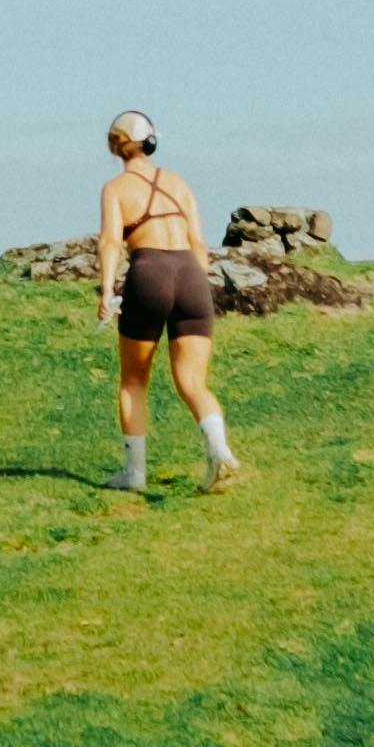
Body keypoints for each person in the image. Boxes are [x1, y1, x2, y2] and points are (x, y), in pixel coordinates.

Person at [95, 109, 240, 495]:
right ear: (151, 141)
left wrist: (108, 290)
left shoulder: (116, 188)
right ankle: (219, 450)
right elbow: (197, 242)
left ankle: (134, 473)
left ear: (115, 145)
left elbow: (111, 241)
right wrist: (198, 286)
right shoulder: (178, 182)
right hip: (192, 275)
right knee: (193, 381)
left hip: (150, 272)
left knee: (133, 380)